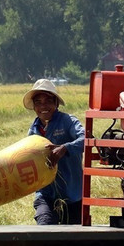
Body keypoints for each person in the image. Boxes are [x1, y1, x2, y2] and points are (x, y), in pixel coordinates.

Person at [23, 79, 85, 225]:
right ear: (34, 106)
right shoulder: (34, 130)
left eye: (48, 101)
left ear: (56, 103)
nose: (43, 106)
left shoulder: (68, 121)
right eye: (38, 102)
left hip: (72, 194)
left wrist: (65, 148)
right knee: (44, 227)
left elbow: (86, 139)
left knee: (71, 239)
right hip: (45, 194)